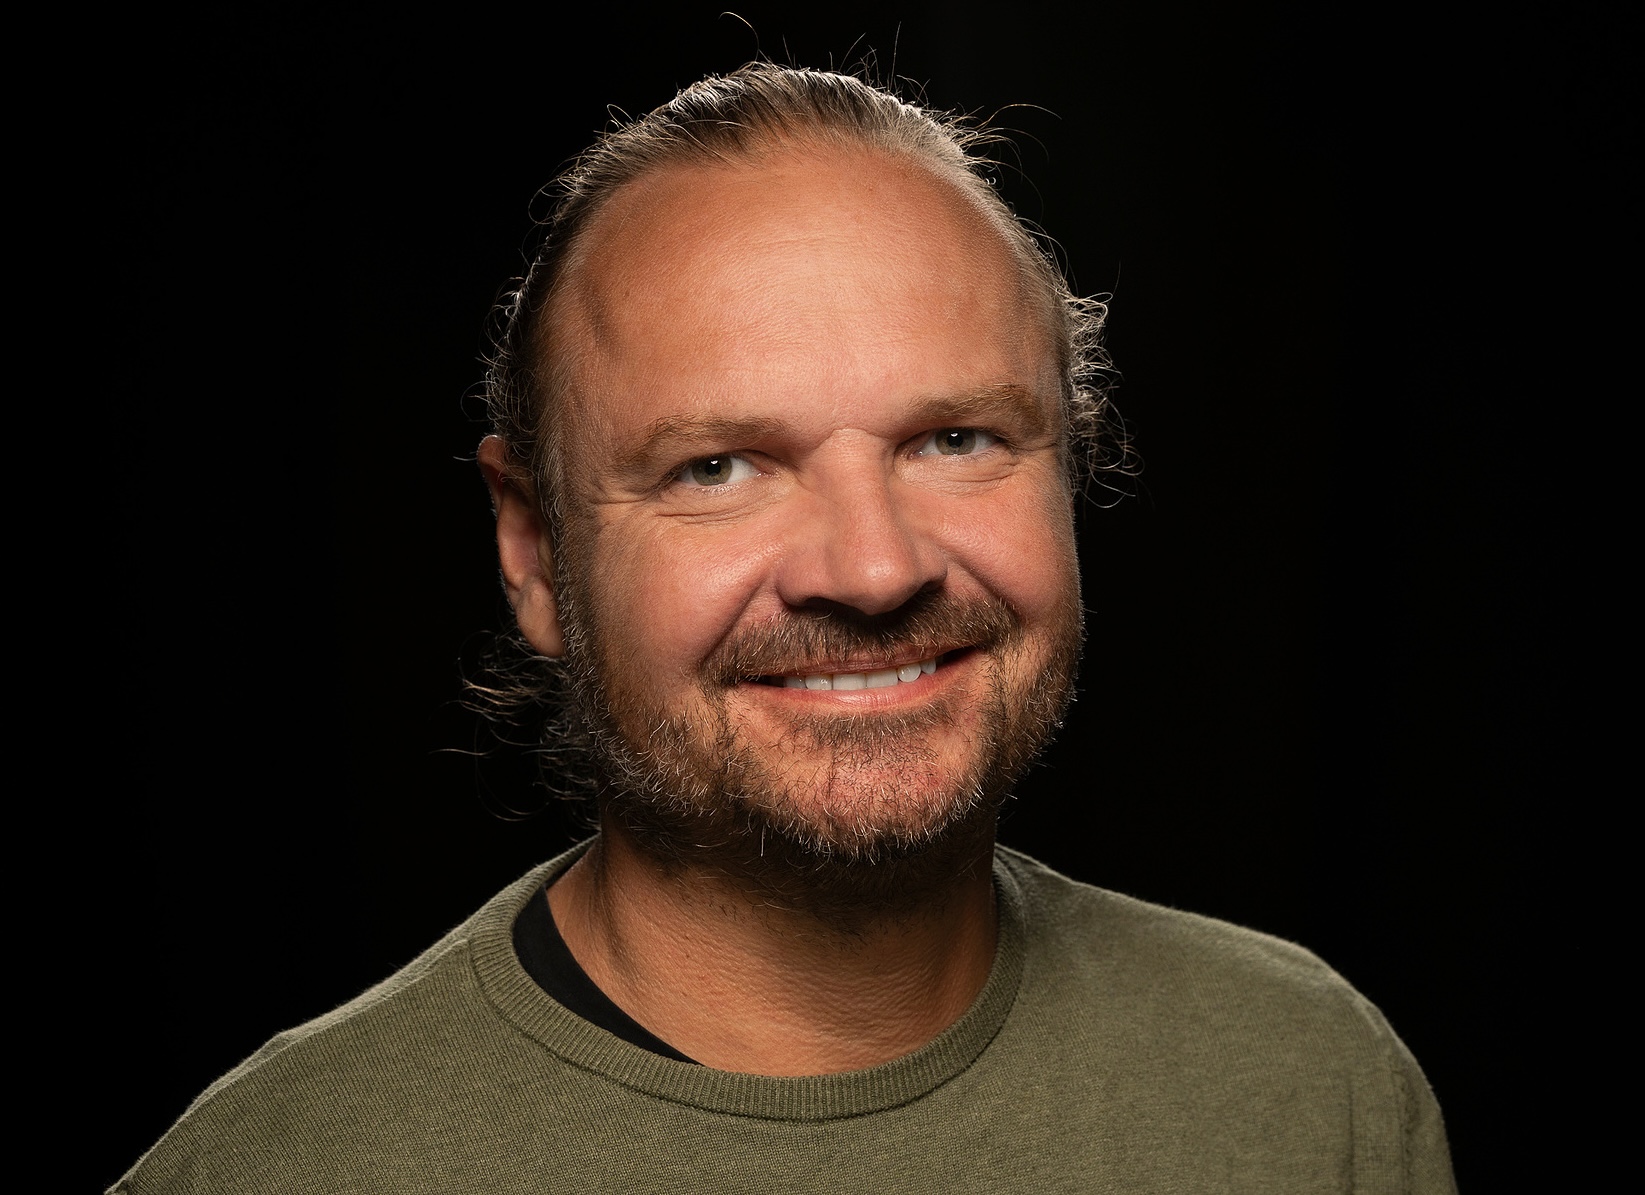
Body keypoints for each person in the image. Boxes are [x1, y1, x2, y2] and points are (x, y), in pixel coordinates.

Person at [115, 63, 1456, 1193]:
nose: (871, 570)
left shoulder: (1310, 1087)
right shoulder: (279, 1171)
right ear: (531, 552)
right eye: (718, 467)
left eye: (955, 439)